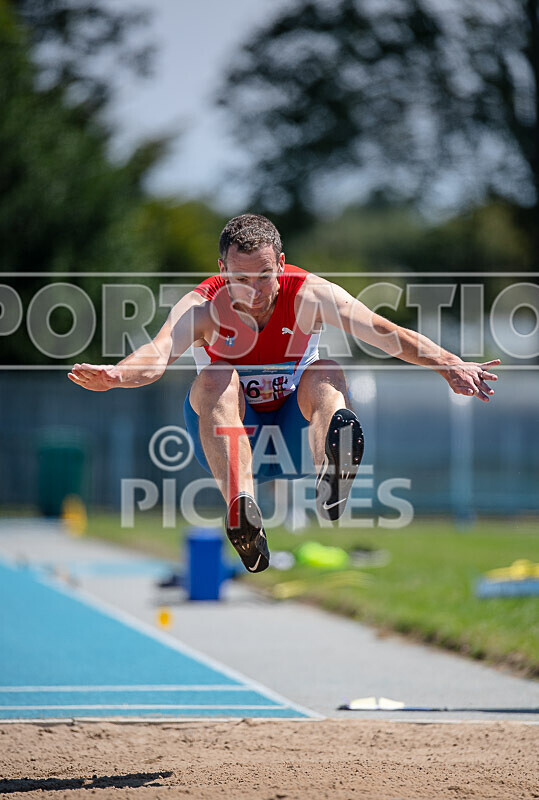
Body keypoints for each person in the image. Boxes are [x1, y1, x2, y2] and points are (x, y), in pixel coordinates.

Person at [68, 214, 499, 573]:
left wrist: (448, 363)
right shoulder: (201, 308)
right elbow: (158, 354)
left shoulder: (310, 294)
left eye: (264, 277)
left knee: (326, 371)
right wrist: (118, 375)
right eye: (240, 279)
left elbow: (383, 332)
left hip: (296, 435)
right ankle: (243, 511)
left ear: (282, 264)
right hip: (232, 437)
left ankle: (331, 471)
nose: (254, 293)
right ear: (221, 270)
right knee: (215, 376)